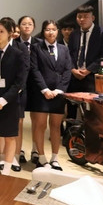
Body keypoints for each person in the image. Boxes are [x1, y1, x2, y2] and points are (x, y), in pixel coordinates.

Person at [0, 19, 28, 176]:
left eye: (1, 31)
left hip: (10, 101)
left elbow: (19, 82)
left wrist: (4, 100)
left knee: (9, 137)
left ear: (10, 33)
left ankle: (7, 170)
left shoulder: (18, 54)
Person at [28, 20, 72, 171]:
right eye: (47, 29)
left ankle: (54, 158)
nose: (50, 32)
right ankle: (41, 158)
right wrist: (44, 89)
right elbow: (34, 70)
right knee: (40, 125)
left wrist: (60, 89)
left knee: (55, 126)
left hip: (58, 94)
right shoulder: (36, 47)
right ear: (43, 31)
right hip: (41, 93)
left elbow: (67, 70)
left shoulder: (64, 49)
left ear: (57, 31)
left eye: (53, 29)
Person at [67, 5, 103, 118]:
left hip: (93, 77)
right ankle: (71, 130)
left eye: (86, 16)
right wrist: (73, 69)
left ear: (93, 18)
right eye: (79, 17)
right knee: (71, 109)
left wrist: (88, 70)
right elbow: (69, 54)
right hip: (74, 76)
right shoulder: (74, 34)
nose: (82, 19)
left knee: (93, 111)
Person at [13, 15, 43, 171]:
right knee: (19, 120)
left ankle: (35, 150)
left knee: (36, 120)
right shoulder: (14, 43)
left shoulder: (40, 43)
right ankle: (18, 152)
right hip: (20, 86)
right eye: (23, 24)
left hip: (36, 86)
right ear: (19, 26)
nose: (26, 26)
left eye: (30, 24)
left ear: (34, 27)